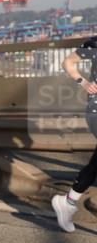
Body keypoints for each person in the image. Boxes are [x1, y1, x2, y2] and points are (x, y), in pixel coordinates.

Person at [51, 36, 97, 232]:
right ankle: (68, 202)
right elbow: (67, 62)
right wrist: (83, 81)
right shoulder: (95, 44)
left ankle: (68, 202)